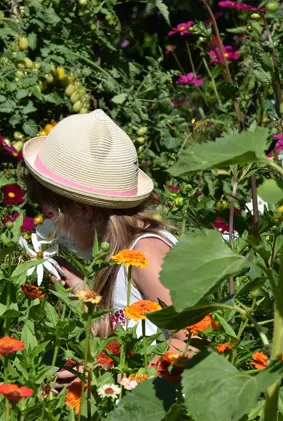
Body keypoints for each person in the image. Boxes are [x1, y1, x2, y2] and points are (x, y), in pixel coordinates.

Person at [22, 109, 189, 386]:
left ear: (84, 210)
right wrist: (87, 301)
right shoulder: (115, 255)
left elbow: (192, 342)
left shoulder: (148, 254)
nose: (51, 224)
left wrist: (103, 376)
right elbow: (130, 329)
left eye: (53, 211)